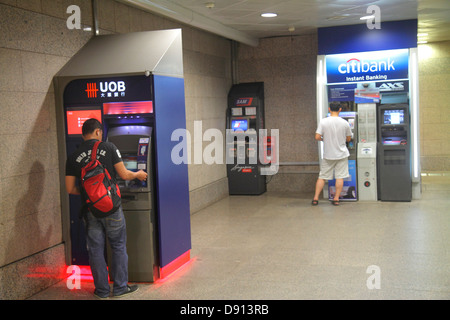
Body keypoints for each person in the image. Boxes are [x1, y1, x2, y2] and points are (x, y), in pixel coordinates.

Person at [65, 118, 148, 299]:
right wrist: (138, 174)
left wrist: (92, 195)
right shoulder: (109, 148)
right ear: (97, 132)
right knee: (118, 246)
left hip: (90, 210)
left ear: (83, 134)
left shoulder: (73, 157)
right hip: (112, 208)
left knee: (95, 250)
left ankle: (101, 291)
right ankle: (119, 288)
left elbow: (70, 188)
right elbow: (124, 174)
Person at [312, 102, 352, 206]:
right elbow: (348, 138)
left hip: (328, 154)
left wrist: (325, 139)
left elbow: (317, 137)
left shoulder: (323, 122)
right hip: (341, 154)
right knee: (340, 177)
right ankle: (336, 199)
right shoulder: (345, 123)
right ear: (340, 110)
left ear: (329, 109)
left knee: (322, 176)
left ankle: (315, 198)